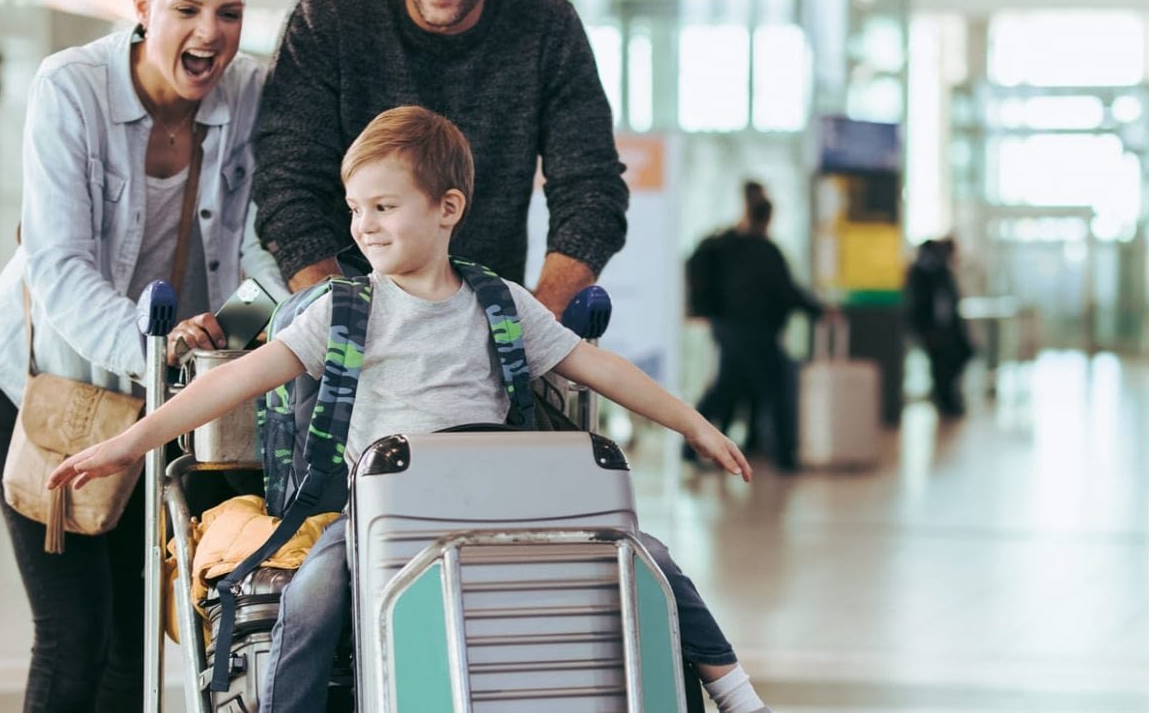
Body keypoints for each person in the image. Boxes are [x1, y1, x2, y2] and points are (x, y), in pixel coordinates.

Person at [48, 107, 772, 713]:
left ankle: (732, 688)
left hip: (498, 508)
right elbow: (235, 380)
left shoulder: (501, 303)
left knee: (647, 554)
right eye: (357, 209)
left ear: (447, 208)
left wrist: (695, 424)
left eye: (384, 207)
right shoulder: (343, 308)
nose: (363, 226)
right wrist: (132, 441)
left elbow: (601, 369)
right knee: (314, 594)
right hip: (379, 516)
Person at [0, 0, 277, 712]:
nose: (212, 34)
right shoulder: (71, 88)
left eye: (230, 13)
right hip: (46, 383)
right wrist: (159, 347)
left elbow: (269, 250)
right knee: (74, 633)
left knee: (136, 638)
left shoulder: (252, 97)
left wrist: (221, 339)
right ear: (142, 5)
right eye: (188, 9)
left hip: (163, 394)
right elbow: (57, 266)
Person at [251, 0, 627, 313]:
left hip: (490, 329)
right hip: (342, 323)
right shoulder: (330, 16)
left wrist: (532, 331)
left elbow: (592, 193)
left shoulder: (547, 28)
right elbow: (286, 188)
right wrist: (349, 325)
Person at [685, 181, 824, 469]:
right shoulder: (764, 251)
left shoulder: (723, 244)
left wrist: (706, 310)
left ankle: (689, 448)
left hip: (727, 329)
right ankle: (786, 459)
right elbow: (787, 292)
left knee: (725, 390)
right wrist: (819, 310)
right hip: (757, 333)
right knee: (776, 391)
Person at [905, 238, 973, 417]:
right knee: (941, 367)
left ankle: (949, 400)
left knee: (955, 360)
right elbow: (919, 305)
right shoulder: (925, 271)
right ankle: (945, 402)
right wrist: (924, 329)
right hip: (933, 330)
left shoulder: (941, 271)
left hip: (946, 330)